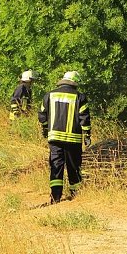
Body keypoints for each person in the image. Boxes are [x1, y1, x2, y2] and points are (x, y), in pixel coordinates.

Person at [38, 70, 91, 204]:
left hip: (54, 138)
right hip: (73, 140)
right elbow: (84, 118)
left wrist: (45, 129)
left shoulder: (49, 95)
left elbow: (42, 115)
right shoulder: (80, 97)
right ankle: (75, 194)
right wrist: (87, 135)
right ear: (75, 83)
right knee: (74, 166)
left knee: (56, 165)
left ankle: (55, 197)